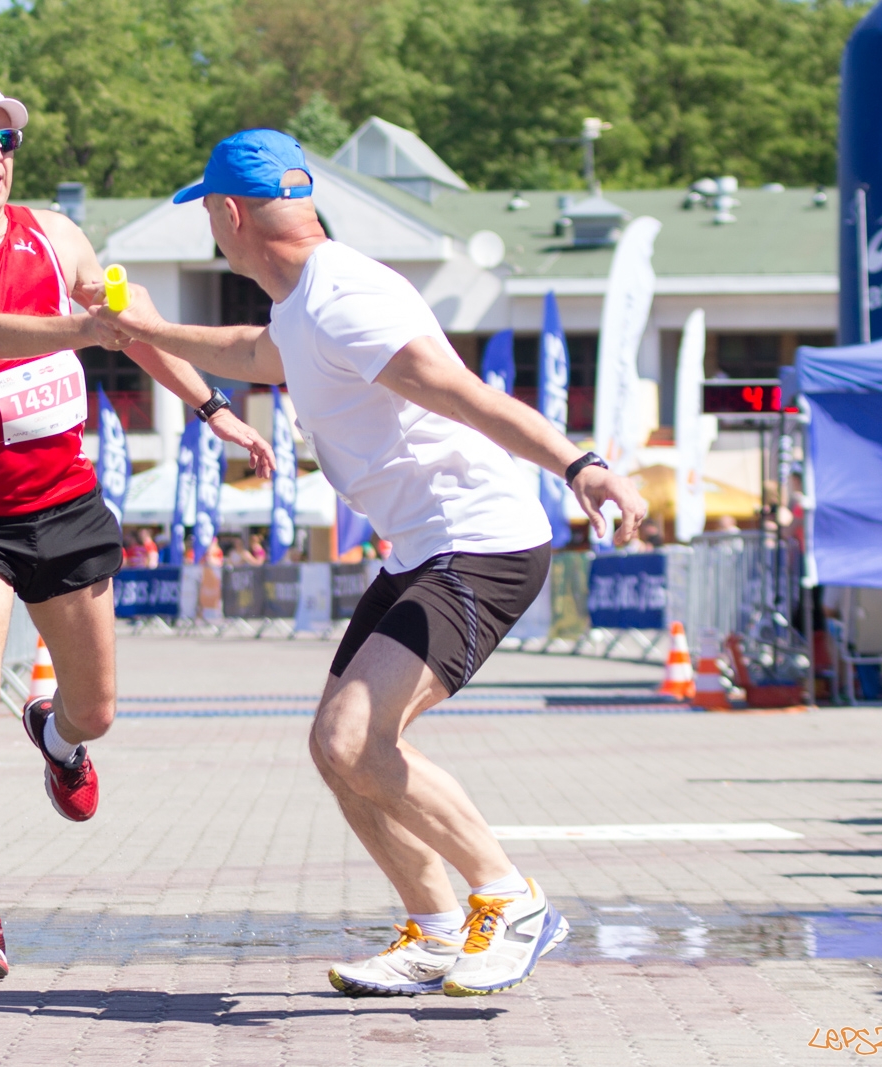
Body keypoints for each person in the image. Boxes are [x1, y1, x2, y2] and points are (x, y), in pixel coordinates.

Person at [94, 129, 648, 998]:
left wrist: (580, 465)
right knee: (335, 749)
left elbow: (465, 394)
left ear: (229, 214)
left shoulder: (346, 296)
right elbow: (256, 355)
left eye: (207, 213)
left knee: (353, 738)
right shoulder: (305, 300)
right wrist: (147, 329)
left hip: (481, 542)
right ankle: (435, 930)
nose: (210, 228)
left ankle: (512, 900)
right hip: (424, 548)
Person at [0, 82, 275, 982]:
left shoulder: (56, 237)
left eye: (6, 141)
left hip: (66, 510)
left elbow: (135, 331)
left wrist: (213, 408)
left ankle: (58, 735)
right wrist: (87, 327)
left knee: (97, 710)